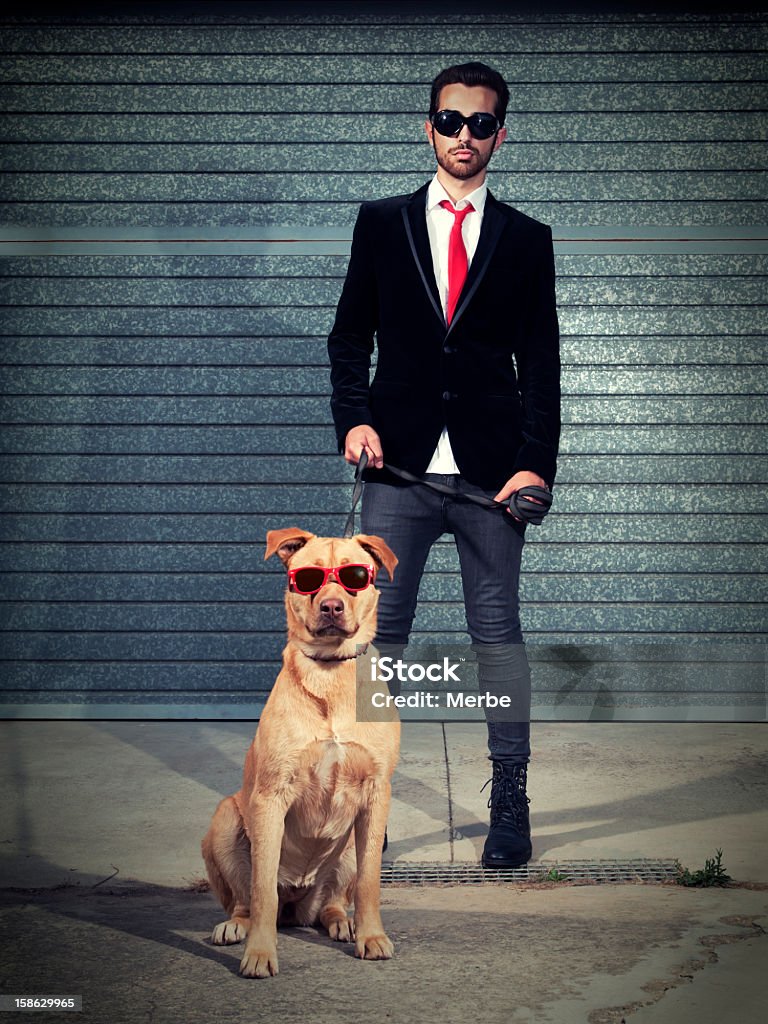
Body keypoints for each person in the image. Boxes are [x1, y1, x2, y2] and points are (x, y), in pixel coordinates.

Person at [327, 62, 561, 868]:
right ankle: (369, 799)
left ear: (502, 132)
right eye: (452, 121)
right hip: (398, 469)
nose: (466, 136)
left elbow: (544, 364)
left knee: (496, 637)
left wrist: (536, 465)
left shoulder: (528, 240)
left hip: (493, 477)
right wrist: (354, 418)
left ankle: (509, 799)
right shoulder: (382, 222)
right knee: (377, 639)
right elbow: (350, 337)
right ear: (429, 127)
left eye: (482, 123)